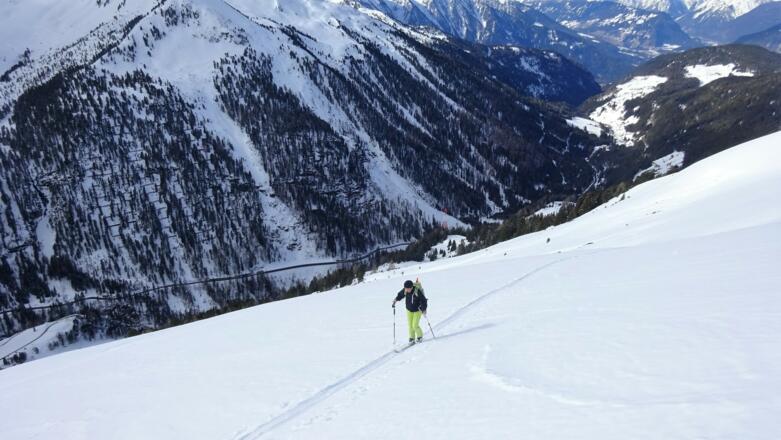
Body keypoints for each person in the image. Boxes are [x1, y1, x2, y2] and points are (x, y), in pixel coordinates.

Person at [392, 280, 428, 344]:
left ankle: (420, 336)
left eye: (408, 289)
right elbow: (400, 295)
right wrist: (396, 299)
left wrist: (424, 309)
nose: (407, 290)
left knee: (415, 325)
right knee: (410, 325)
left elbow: (423, 301)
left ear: (411, 287)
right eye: (405, 288)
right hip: (409, 310)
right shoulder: (405, 290)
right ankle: (412, 338)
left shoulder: (417, 291)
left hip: (417, 310)